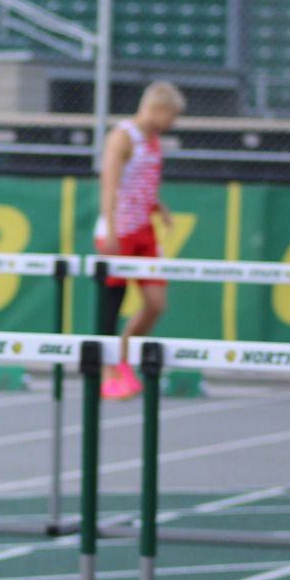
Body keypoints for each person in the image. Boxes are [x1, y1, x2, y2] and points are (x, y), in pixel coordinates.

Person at [97, 81, 183, 400]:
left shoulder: (154, 140)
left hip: (145, 229)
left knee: (156, 303)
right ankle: (107, 373)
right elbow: (110, 184)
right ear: (159, 110)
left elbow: (142, 179)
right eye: (171, 116)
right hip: (120, 230)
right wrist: (111, 229)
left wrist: (158, 205)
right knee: (112, 303)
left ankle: (121, 354)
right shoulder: (123, 137)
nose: (172, 123)